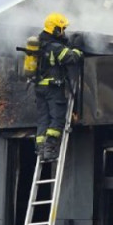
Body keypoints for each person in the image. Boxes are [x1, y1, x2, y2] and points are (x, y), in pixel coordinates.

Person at [34, 13, 83, 162]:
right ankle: (50, 148)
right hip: (53, 89)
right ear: (54, 29)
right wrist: (77, 47)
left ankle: (41, 148)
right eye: (62, 29)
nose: (63, 32)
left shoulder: (40, 43)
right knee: (57, 119)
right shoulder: (55, 47)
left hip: (39, 88)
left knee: (43, 119)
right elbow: (72, 58)